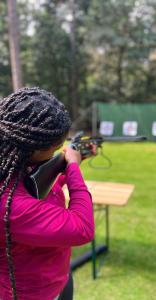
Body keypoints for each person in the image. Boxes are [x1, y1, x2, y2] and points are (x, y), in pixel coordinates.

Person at [0, 87, 95, 300]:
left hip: (54, 279)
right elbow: (83, 228)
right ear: (32, 148)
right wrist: (72, 167)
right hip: (32, 293)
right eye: (54, 149)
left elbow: (41, 188)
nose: (56, 153)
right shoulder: (12, 205)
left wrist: (76, 160)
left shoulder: (16, 167)